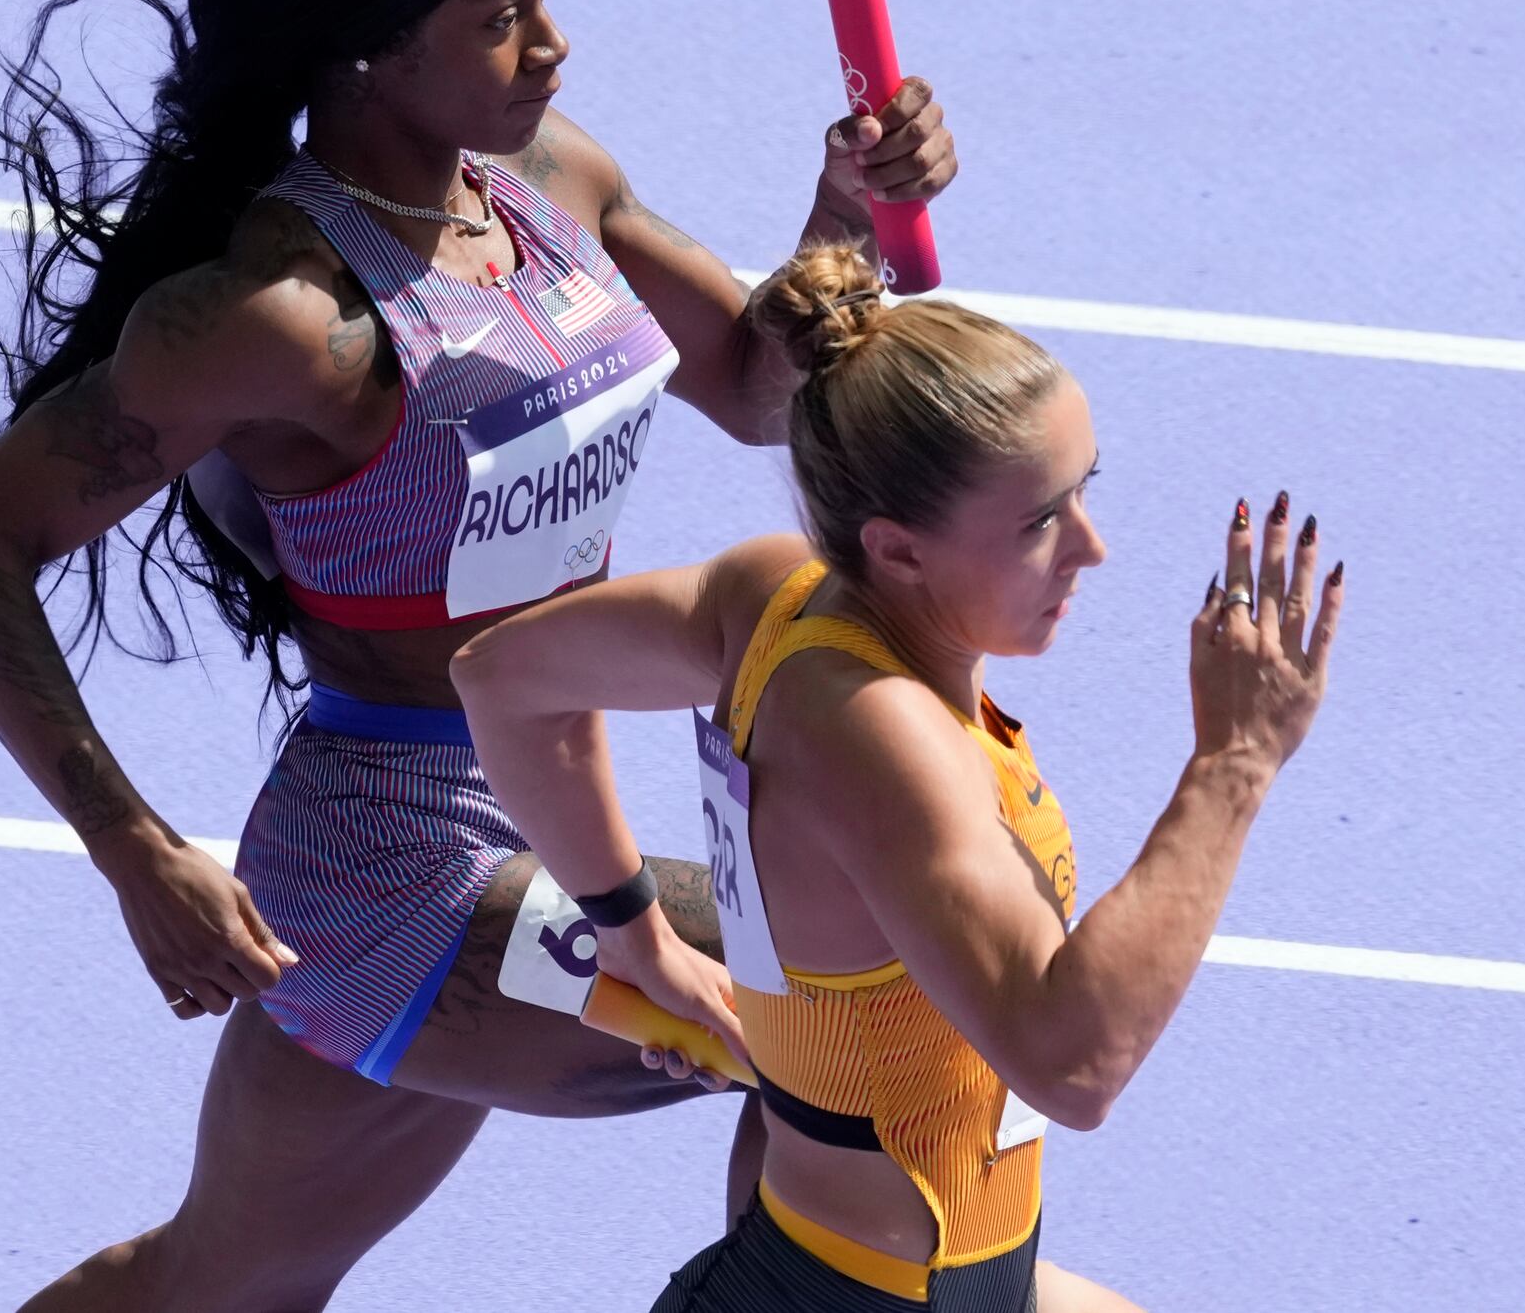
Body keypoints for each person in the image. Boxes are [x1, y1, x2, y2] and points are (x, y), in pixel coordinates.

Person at [0, 0, 965, 1310]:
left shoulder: (551, 181)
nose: (552, 45)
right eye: (503, 17)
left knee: (208, 1285)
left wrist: (845, 209)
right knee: (860, 1023)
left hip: (557, 818)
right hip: (388, 871)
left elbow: (759, 385)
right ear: (363, 44)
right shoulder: (280, 315)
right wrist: (137, 850)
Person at [452, 243, 1345, 1311]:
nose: (1091, 549)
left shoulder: (771, 599)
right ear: (900, 551)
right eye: (1039, 523)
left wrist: (632, 928)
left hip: (929, 1269)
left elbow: (504, 677)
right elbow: (1073, 1065)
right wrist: (1234, 763)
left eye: (1082, 493)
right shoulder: (886, 740)